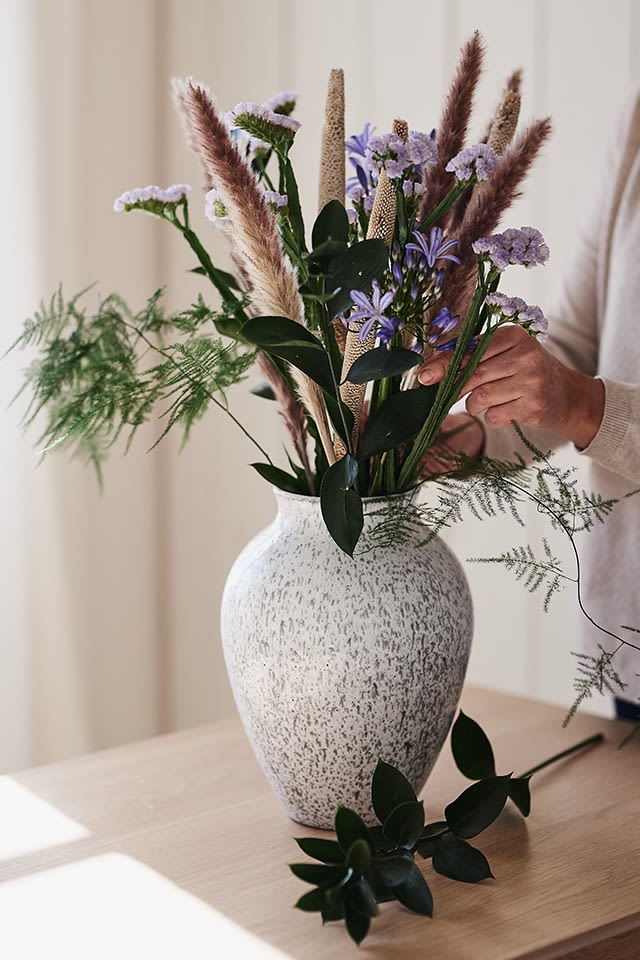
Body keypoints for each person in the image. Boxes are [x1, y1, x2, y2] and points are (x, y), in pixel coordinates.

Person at [418, 90, 640, 721]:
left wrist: (581, 405)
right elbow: (581, 346)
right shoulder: (637, 122)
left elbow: (584, 395)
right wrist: (482, 429)